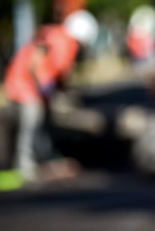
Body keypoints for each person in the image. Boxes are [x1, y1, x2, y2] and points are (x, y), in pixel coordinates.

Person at [3, 10, 98, 184]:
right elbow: (37, 64)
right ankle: (24, 168)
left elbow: (58, 73)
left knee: (43, 124)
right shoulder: (59, 40)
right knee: (30, 124)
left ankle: (43, 159)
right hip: (24, 86)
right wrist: (46, 89)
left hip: (32, 87)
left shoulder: (64, 40)